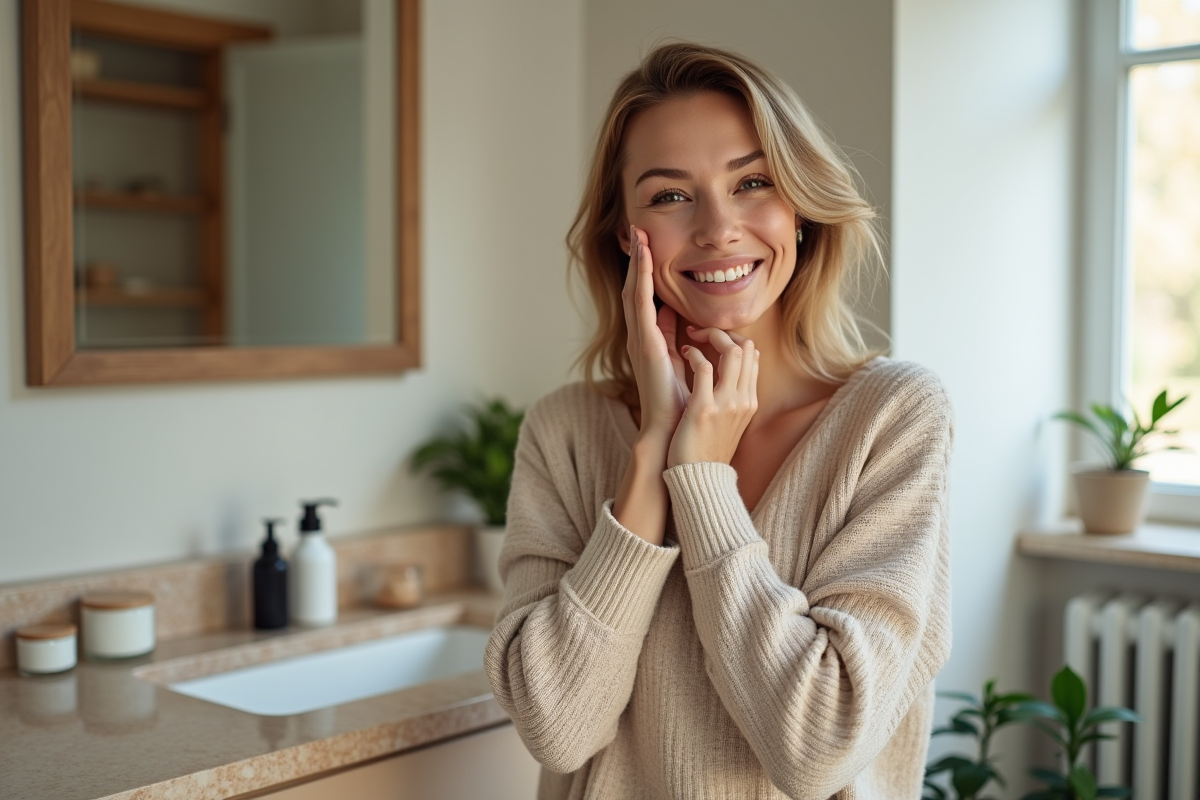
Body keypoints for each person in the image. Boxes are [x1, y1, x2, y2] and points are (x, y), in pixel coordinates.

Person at [485, 41, 951, 800]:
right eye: (670, 196)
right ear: (623, 234)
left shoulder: (892, 417)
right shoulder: (564, 430)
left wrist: (700, 482)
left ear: (800, 208)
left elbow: (817, 748)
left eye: (754, 182)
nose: (718, 227)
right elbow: (559, 728)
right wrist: (652, 459)